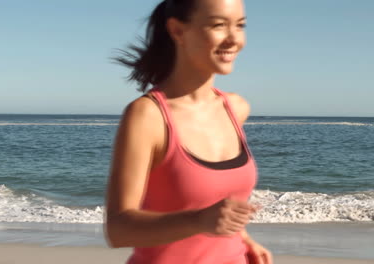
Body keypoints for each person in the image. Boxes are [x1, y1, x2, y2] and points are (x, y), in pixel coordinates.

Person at [104, 0, 272, 263]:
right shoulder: (148, 116)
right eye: (218, 25)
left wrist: (244, 238)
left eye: (240, 26)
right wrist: (199, 220)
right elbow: (118, 229)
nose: (233, 39)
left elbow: (222, 203)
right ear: (178, 31)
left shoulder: (236, 108)